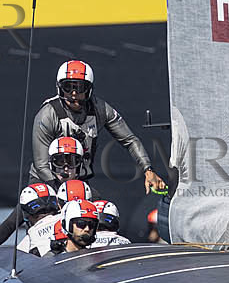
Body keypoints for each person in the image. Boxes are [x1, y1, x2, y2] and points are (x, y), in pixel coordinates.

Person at [29, 60, 165, 194]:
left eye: (79, 87)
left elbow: (129, 140)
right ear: (59, 88)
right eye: (68, 87)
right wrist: (61, 192)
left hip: (79, 182)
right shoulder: (47, 115)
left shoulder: (101, 110)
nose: (74, 93)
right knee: (36, 211)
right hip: (46, 182)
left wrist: (148, 170)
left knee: (104, 213)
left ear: (89, 89)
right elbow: (41, 165)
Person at [0, 138, 86, 257]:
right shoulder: (42, 193)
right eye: (59, 161)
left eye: (72, 161)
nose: (65, 168)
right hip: (43, 251)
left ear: (79, 165)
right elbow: (12, 222)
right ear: (50, 164)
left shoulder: (87, 191)